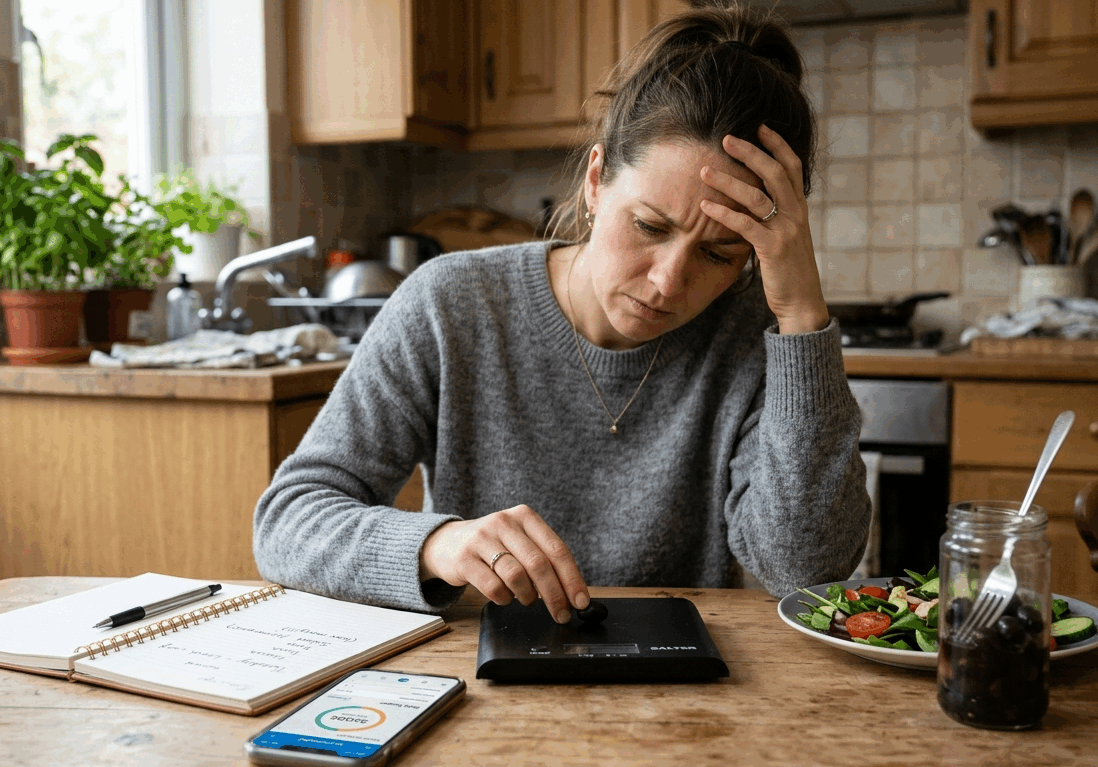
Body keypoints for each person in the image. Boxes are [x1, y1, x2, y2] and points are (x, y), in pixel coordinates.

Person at [253, 0, 871, 625]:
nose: (668, 281)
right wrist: (438, 544)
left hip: (675, 695)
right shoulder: (451, 304)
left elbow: (805, 570)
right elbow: (288, 520)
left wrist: (800, 315)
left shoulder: (756, 339)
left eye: (718, 253)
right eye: (650, 225)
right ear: (597, 179)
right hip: (478, 682)